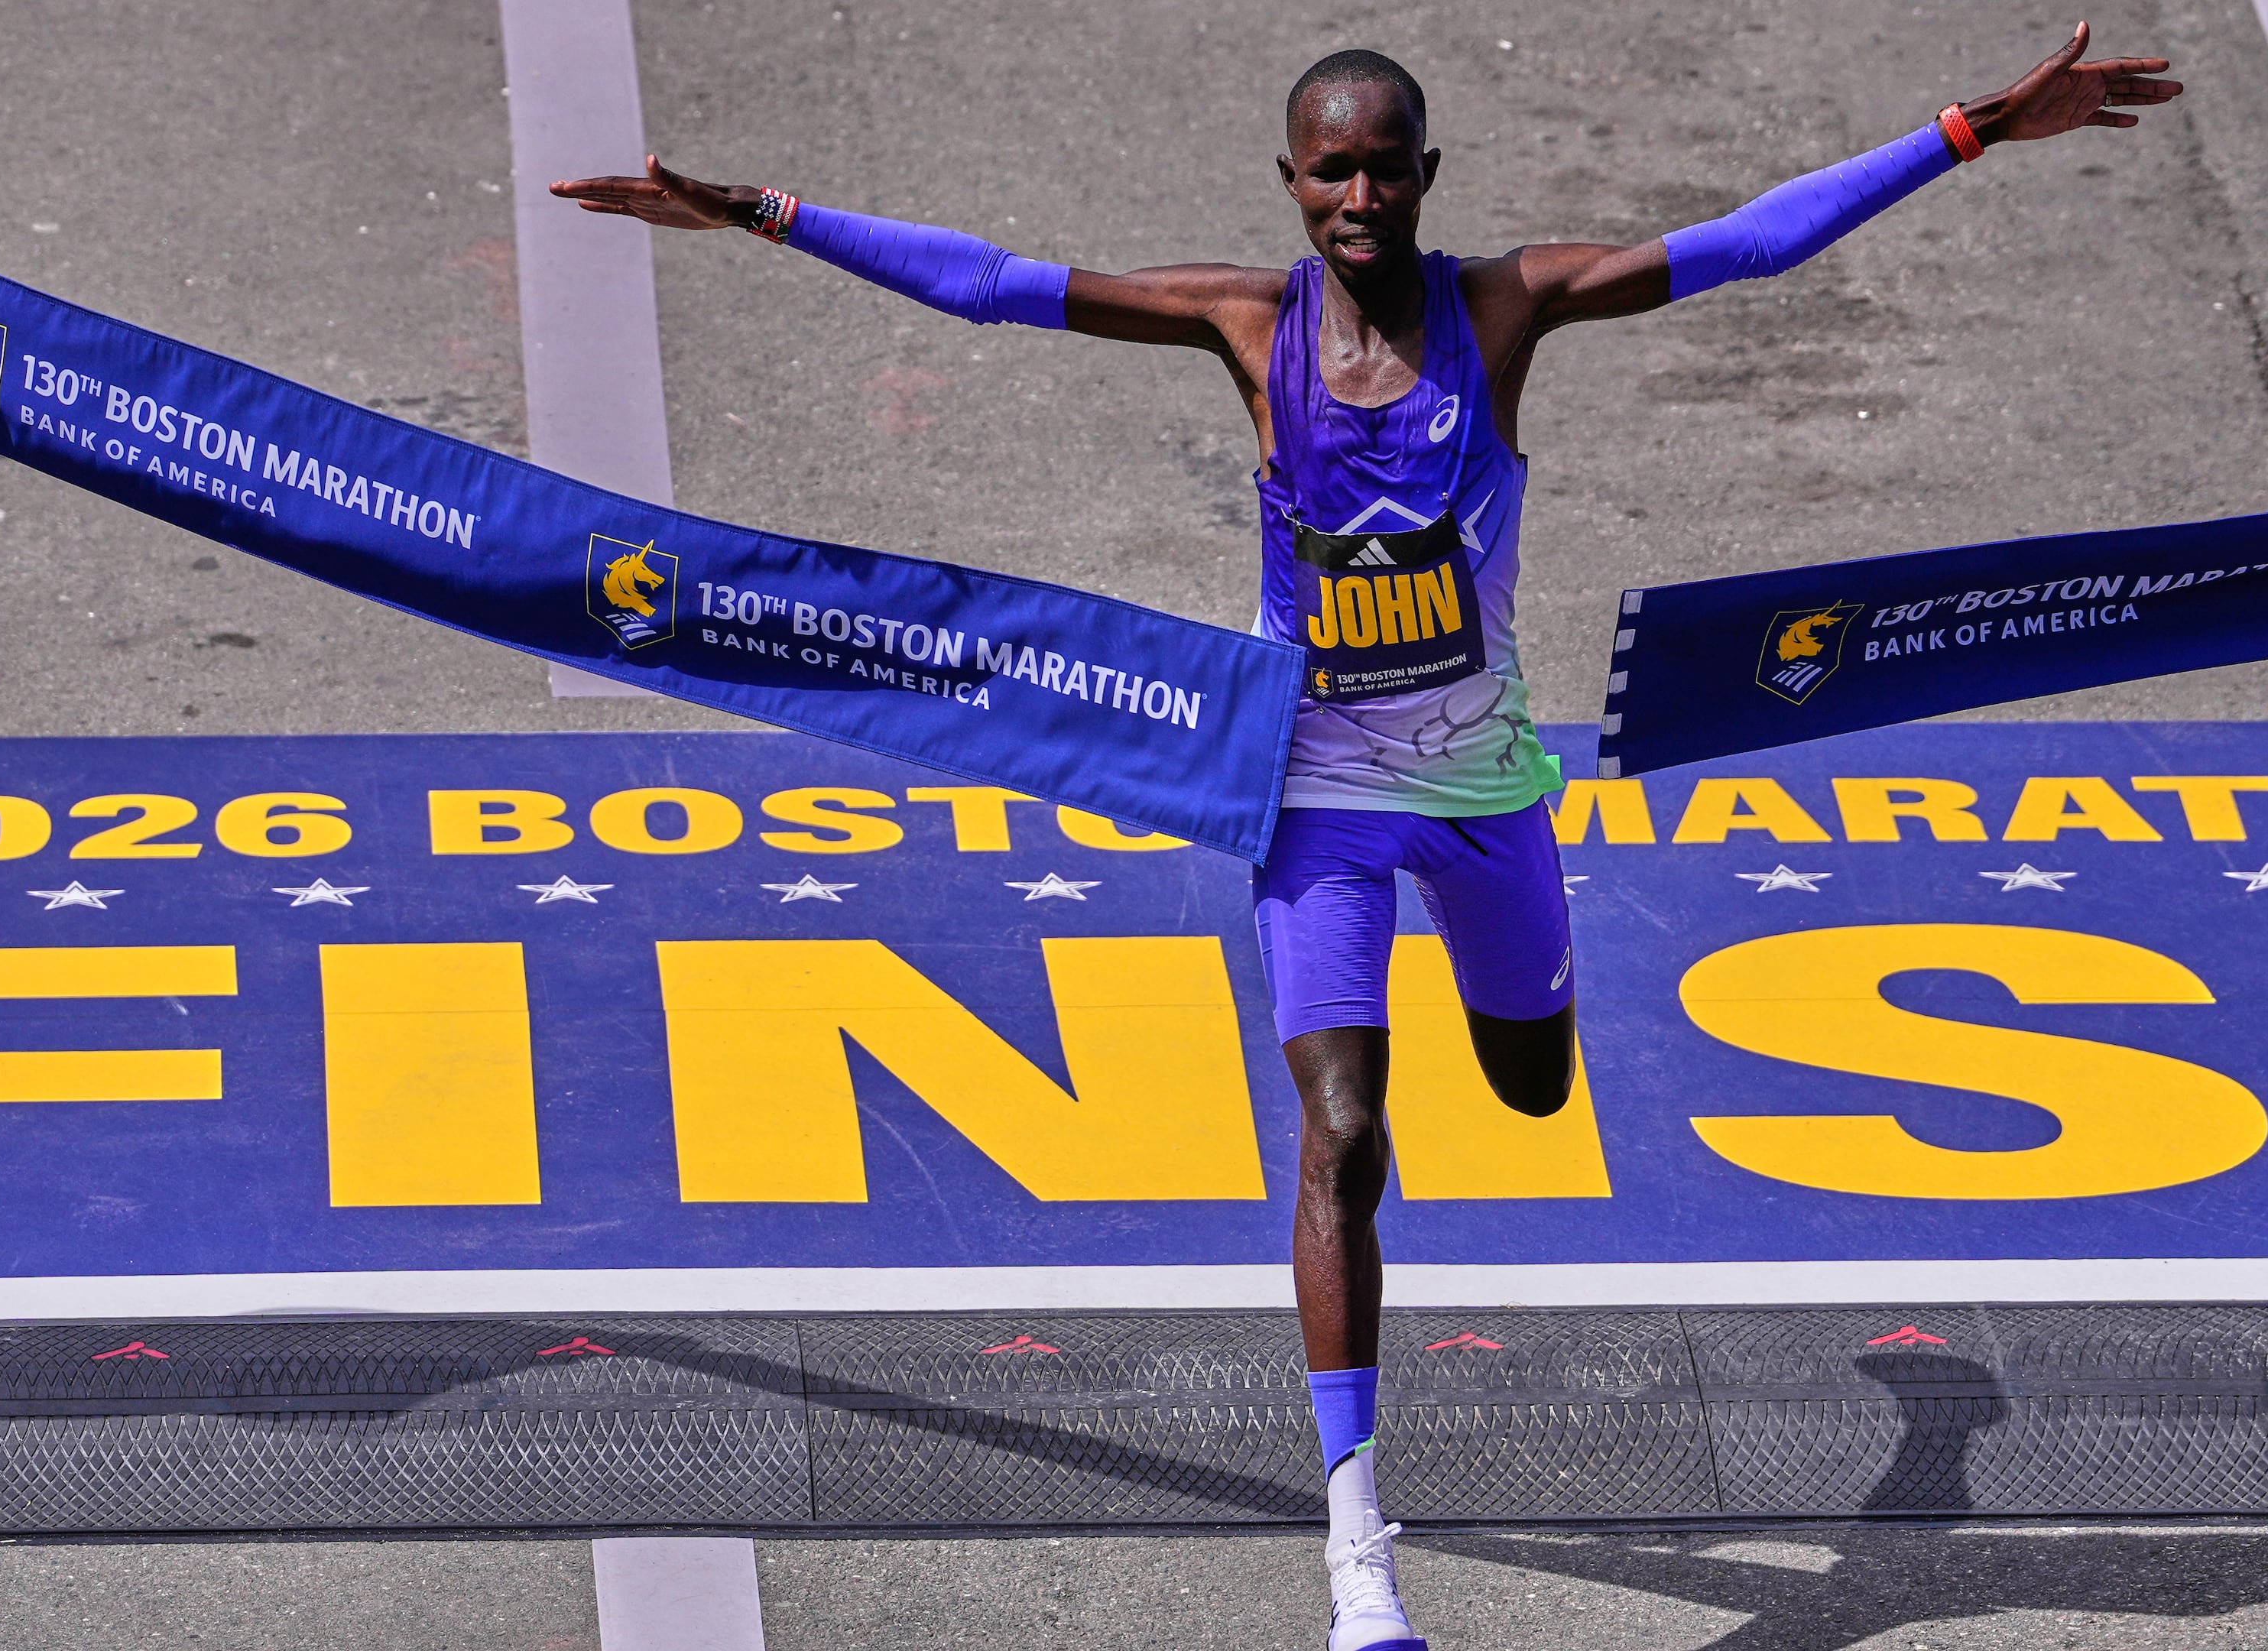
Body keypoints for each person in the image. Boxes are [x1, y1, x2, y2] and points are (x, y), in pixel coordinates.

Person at [553, 28, 2177, 1648]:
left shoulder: (1503, 311)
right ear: (1289, 180)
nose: (1355, 194)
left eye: (1382, 166)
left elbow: (1752, 243)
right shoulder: (1245, 328)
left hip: (1483, 794)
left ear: (1425, 175)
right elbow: (989, 283)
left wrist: (1969, 130)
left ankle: (1513, 1040)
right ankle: (1358, 1552)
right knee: (1342, 1133)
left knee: (1534, 1082)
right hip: (1315, 796)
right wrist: (762, 212)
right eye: (1327, 168)